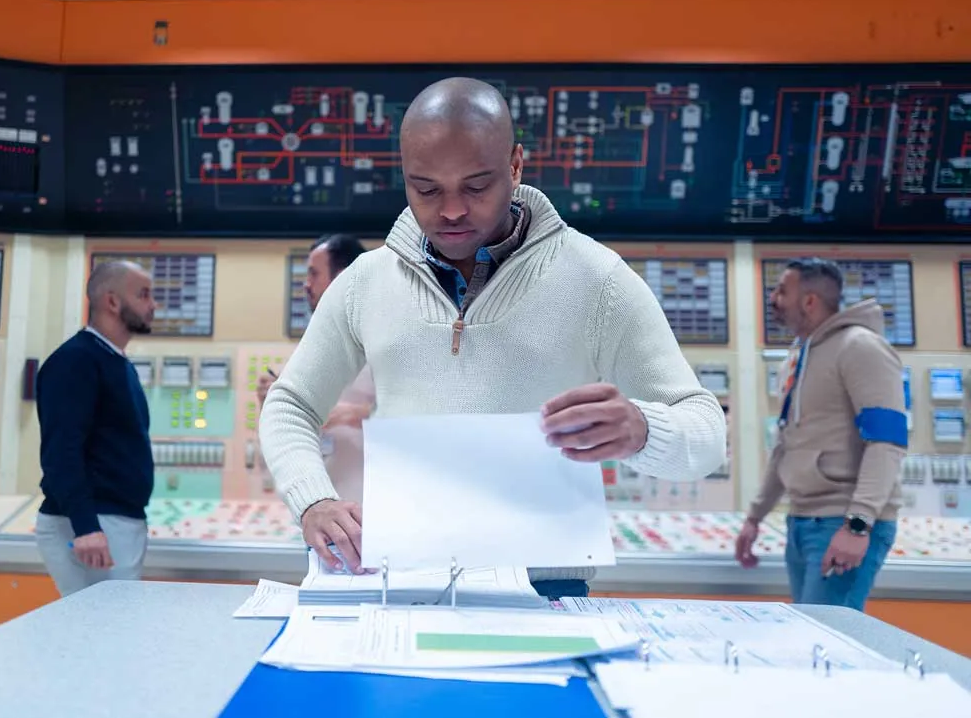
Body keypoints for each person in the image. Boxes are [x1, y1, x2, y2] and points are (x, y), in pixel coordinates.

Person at [258, 76, 727, 600]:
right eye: (426, 188)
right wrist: (313, 500)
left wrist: (644, 429)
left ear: (516, 166)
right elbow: (289, 404)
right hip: (403, 586)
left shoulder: (598, 280)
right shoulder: (366, 281)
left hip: (549, 593)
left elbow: (706, 433)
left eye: (477, 186)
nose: (452, 210)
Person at [735, 258, 906, 611]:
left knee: (825, 646)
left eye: (783, 291)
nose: (773, 299)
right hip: (802, 523)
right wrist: (755, 517)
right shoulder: (799, 357)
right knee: (808, 639)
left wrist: (857, 525)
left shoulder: (861, 347)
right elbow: (786, 444)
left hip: (842, 523)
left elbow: (887, 442)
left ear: (810, 301)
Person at [34, 260, 158, 597]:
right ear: (112, 302)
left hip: (115, 520)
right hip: (91, 525)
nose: (153, 305)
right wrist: (86, 526)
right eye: (144, 295)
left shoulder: (114, 362)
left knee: (113, 633)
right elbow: (62, 452)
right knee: (103, 636)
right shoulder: (76, 361)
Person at [257, 234, 375, 503]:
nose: (305, 285)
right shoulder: (310, 350)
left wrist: (357, 414)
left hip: (375, 515)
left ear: (343, 277)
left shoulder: (387, 343)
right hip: (321, 515)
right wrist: (274, 406)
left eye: (313, 274)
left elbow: (426, 419)